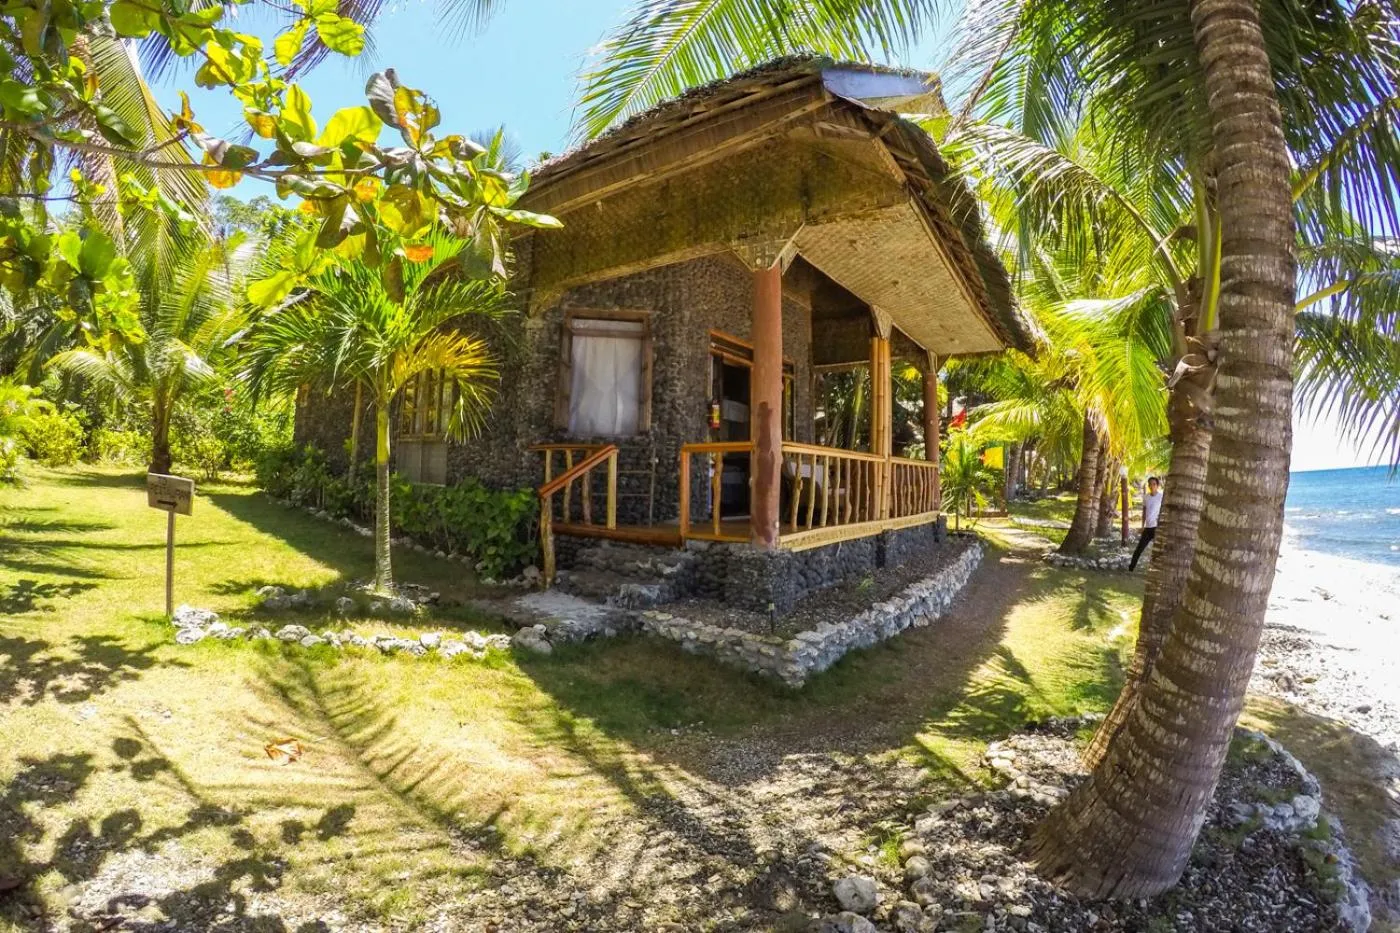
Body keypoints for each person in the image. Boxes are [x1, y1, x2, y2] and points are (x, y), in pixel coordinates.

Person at [1129, 476, 1163, 571]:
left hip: (1157, 528)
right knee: (1139, 549)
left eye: (1154, 484)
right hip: (1148, 528)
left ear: (1157, 485)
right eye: (1150, 484)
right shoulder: (1146, 497)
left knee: (1158, 550)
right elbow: (1144, 512)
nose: (1152, 486)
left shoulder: (1161, 497)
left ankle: (1157, 569)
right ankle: (1131, 568)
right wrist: (1142, 526)